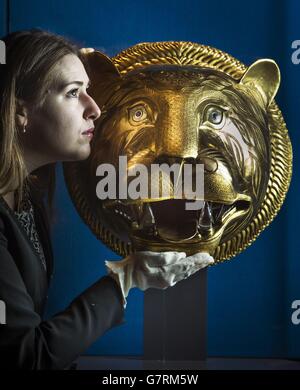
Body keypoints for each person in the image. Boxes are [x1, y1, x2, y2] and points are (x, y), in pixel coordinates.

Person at [0, 29, 213, 370]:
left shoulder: (27, 198)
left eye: (88, 91)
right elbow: (28, 358)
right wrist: (123, 280)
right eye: (73, 93)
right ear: (20, 111)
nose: (94, 109)